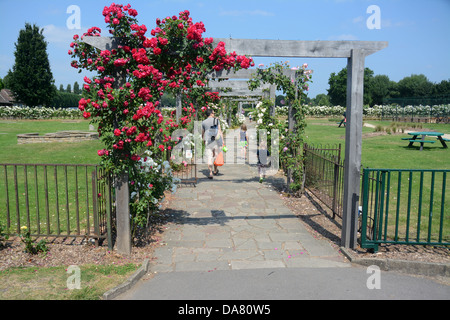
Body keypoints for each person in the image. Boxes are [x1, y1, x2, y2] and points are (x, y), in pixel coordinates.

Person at [202, 109, 223, 179]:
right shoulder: (216, 121)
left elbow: (203, 133)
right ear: (211, 114)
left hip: (208, 141)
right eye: (213, 113)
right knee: (215, 156)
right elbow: (219, 131)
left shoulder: (204, 122)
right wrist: (222, 141)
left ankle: (210, 173)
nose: (214, 114)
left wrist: (203, 140)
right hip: (216, 141)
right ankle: (215, 170)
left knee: (209, 157)